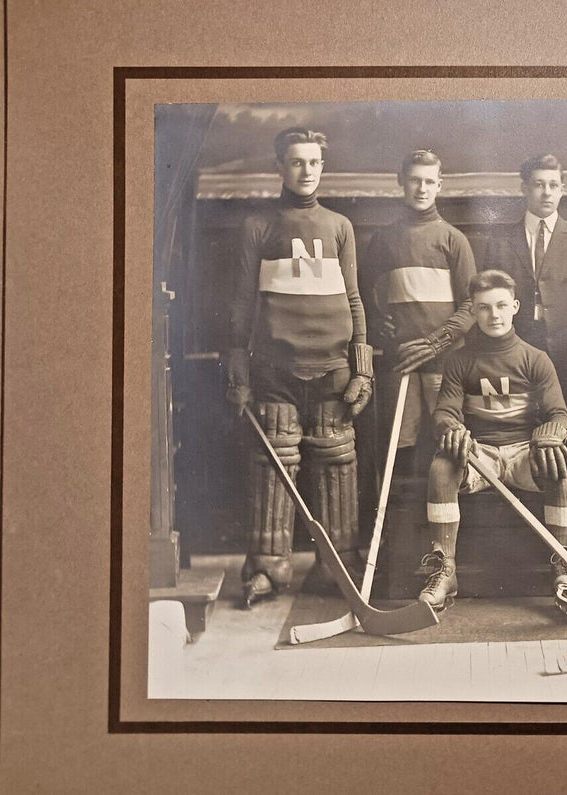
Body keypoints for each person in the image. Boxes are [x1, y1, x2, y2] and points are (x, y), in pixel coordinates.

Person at [225, 127, 373, 607]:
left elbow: (354, 300)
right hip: (274, 371)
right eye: (296, 162)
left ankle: (337, 566)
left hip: (333, 369)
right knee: (274, 463)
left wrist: (363, 367)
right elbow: (243, 302)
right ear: (280, 167)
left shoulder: (339, 226)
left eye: (313, 162)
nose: (306, 171)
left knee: (336, 462)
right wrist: (237, 371)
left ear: (322, 168)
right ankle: (269, 568)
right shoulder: (258, 226)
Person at [417, 270, 567, 613]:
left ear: (515, 306)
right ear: (473, 312)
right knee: (442, 466)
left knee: (561, 467)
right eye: (484, 308)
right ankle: (446, 569)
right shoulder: (460, 360)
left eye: (501, 306)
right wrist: (452, 430)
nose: (494, 315)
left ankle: (563, 566)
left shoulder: (536, 359)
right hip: (480, 455)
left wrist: (551, 435)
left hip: (524, 453)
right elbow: (444, 412)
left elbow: (560, 415)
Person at [360, 150, 476, 465]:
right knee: (400, 447)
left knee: (450, 440)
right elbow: (365, 294)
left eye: (428, 181)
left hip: (446, 359)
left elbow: (471, 305)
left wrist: (436, 342)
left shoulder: (454, 239)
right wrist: (377, 322)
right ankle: (398, 514)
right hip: (401, 360)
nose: (421, 188)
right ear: (402, 182)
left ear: (440, 185)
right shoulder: (383, 240)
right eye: (414, 180)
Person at [480, 154, 567, 392]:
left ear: (561, 190)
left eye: (553, 185)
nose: (547, 192)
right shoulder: (501, 242)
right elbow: (488, 300)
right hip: (517, 345)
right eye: (539, 184)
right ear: (524, 188)